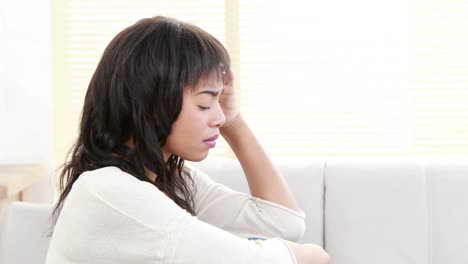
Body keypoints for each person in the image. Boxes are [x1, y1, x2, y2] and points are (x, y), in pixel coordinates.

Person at [46, 16, 330, 264]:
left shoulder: (172, 180)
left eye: (220, 102)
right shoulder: (109, 190)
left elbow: (285, 223)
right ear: (154, 104)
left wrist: (234, 121)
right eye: (205, 104)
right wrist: (312, 254)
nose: (218, 117)